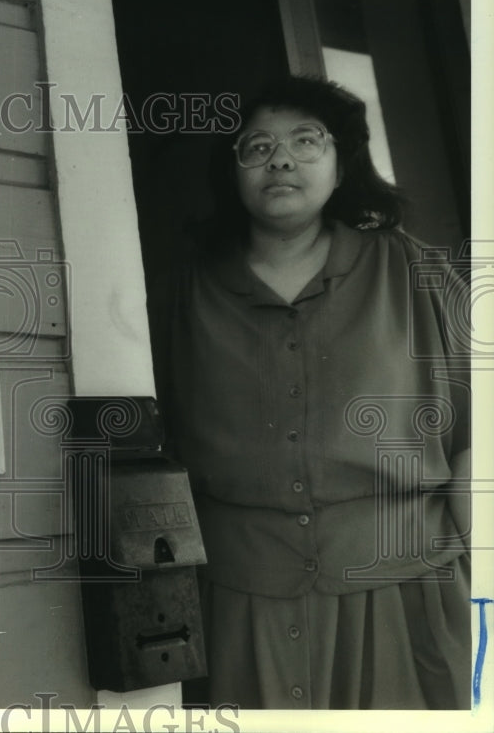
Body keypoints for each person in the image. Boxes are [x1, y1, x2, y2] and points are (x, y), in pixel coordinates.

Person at [160, 75, 471, 709]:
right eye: (256, 146)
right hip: (242, 607)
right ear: (233, 171)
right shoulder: (180, 293)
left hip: (405, 595)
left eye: (307, 140)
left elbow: (478, 443)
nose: (280, 159)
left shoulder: (415, 272)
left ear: (341, 163)